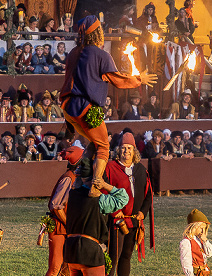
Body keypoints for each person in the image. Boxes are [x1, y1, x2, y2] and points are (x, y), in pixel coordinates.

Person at [59, 15, 156, 197]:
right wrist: (138, 79)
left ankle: (80, 177)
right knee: (104, 146)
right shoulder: (101, 55)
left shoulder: (73, 53)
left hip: (68, 108)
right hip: (85, 108)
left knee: (95, 143)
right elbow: (117, 81)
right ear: (97, 33)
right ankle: (95, 187)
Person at [64, 153, 129, 276]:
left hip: (71, 249)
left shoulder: (72, 195)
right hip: (90, 250)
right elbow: (122, 197)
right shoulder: (99, 200)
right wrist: (105, 186)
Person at [103, 132, 154, 276]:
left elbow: (148, 196)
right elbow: (103, 192)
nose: (126, 151)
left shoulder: (141, 170)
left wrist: (142, 213)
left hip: (134, 220)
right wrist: (113, 211)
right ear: (119, 150)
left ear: (134, 151)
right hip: (117, 220)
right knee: (113, 255)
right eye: (123, 148)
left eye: (129, 148)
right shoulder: (110, 167)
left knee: (127, 255)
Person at [40, 146, 83, 276]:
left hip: (68, 228)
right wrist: (69, 223)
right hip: (59, 228)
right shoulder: (68, 178)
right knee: (55, 266)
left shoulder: (76, 178)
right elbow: (56, 206)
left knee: (70, 265)